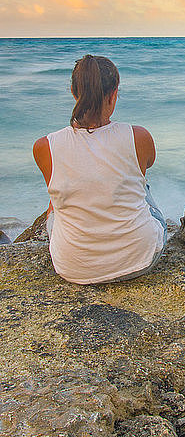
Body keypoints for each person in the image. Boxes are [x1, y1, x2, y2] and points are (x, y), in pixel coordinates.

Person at [33, 54, 167, 284]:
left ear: (74, 93)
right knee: (142, 185)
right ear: (114, 94)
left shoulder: (45, 146)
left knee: (55, 204)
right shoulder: (138, 137)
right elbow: (147, 166)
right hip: (140, 258)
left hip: (73, 268)